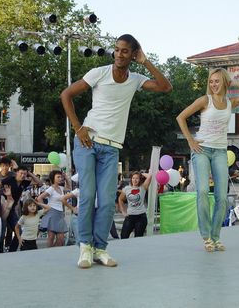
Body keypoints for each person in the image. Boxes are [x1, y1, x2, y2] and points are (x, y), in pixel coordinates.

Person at [61, 34, 172, 268]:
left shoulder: (136, 79)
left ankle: (100, 248)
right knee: (89, 195)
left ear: (133, 54)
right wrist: (78, 127)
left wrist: (146, 61)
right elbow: (66, 95)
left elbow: (165, 87)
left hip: (112, 148)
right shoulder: (98, 73)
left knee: (109, 202)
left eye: (125, 51)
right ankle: (85, 247)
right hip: (88, 142)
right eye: (117, 50)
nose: (119, 54)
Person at [176, 67, 239, 252]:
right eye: (211, 81)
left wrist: (235, 82)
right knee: (203, 191)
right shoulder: (204, 100)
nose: (213, 84)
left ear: (224, 82)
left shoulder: (231, 102)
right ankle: (205, 236)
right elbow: (180, 117)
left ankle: (215, 237)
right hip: (202, 150)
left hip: (221, 151)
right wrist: (190, 140)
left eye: (217, 81)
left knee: (222, 197)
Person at [1, 166, 42, 252]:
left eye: (25, 174)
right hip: (3, 208)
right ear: (17, 173)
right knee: (2, 232)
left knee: (18, 232)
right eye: (21, 173)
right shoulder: (9, 180)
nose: (23, 175)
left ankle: (12, 251)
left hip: (12, 210)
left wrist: (29, 173)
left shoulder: (24, 182)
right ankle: (1, 251)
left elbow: (39, 182)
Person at [36, 170, 70, 248]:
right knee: (51, 237)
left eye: (60, 177)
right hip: (52, 212)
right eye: (58, 177)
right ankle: (49, 253)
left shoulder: (61, 188)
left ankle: (55, 252)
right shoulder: (50, 189)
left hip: (60, 214)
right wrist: (45, 208)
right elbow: (39, 198)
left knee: (61, 239)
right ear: (53, 178)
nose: (60, 178)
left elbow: (69, 189)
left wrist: (66, 178)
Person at [118, 171, 152, 239]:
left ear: (140, 180)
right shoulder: (126, 189)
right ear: (131, 179)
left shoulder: (143, 187)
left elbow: (149, 176)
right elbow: (120, 199)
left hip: (141, 217)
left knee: (138, 239)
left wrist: (140, 174)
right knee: (123, 237)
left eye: (137, 178)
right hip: (130, 217)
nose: (135, 180)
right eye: (133, 178)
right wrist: (123, 211)